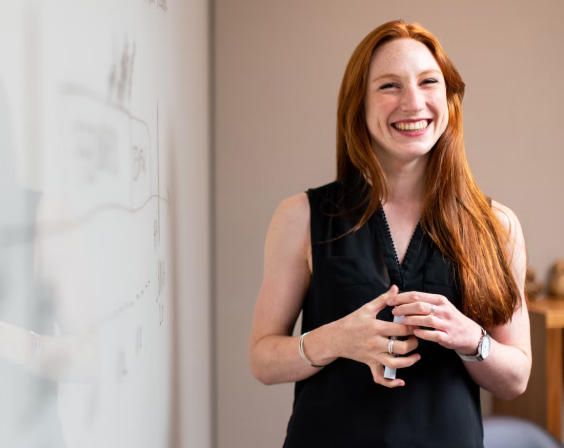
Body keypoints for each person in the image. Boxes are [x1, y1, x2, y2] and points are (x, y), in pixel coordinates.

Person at [249, 19, 531, 448]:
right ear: (357, 105)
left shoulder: (497, 225)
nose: (413, 102)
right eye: (389, 87)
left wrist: (471, 338)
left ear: (450, 99)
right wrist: (335, 340)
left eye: (428, 82)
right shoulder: (301, 217)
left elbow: (517, 378)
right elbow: (263, 360)